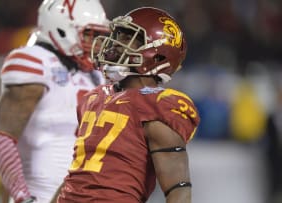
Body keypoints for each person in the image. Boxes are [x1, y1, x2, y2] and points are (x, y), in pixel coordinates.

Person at [56, 7, 200, 203]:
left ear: (157, 56)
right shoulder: (94, 98)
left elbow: (178, 190)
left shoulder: (157, 106)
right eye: (118, 35)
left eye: (127, 38)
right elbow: (76, 175)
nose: (114, 44)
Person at [0, 0, 109, 202]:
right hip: (40, 193)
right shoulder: (36, 62)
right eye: (89, 34)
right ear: (61, 28)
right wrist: (21, 196)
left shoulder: (96, 75)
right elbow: (2, 137)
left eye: (98, 36)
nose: (95, 42)